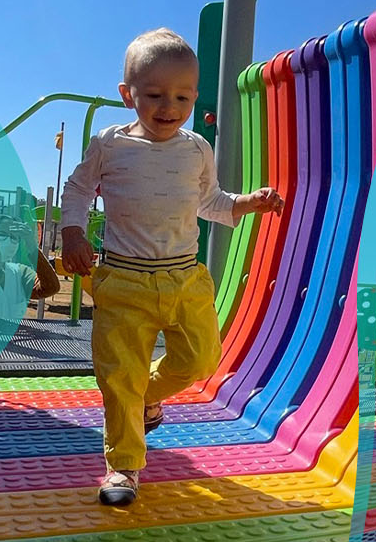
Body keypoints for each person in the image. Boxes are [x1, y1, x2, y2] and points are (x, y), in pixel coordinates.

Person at [60, 28, 284, 506]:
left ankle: (147, 398)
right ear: (128, 95)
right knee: (118, 376)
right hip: (122, 278)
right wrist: (72, 231)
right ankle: (123, 467)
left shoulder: (196, 148)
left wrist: (248, 203)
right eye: (155, 94)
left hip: (185, 278)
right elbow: (78, 190)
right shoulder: (110, 144)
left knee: (200, 360)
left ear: (194, 96)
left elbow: (209, 200)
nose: (169, 106)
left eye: (181, 96)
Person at [0, 215, 60, 320]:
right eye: (2, 234)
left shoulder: (19, 272)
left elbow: (50, 287)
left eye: (14, 237)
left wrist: (33, 248)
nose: (8, 241)